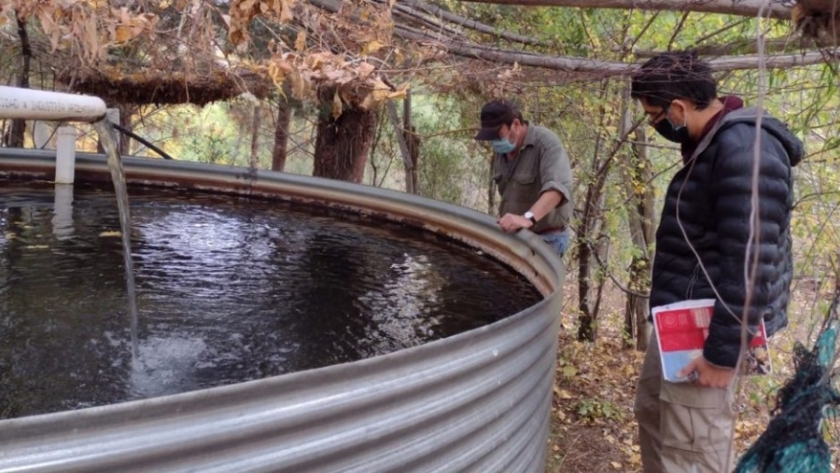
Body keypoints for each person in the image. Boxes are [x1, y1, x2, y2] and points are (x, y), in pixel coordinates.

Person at [630, 51, 803, 473]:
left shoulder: (744, 150)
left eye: (655, 116)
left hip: (711, 330)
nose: (656, 126)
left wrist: (722, 355)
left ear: (678, 108)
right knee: (653, 413)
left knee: (693, 449)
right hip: (683, 321)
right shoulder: (712, 143)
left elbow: (750, 263)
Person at [474, 99, 573, 257]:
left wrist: (527, 218)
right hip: (515, 236)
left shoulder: (546, 143)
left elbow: (557, 190)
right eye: (492, 138)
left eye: (498, 135)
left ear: (516, 124)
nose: (496, 142)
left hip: (547, 238)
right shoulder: (501, 153)